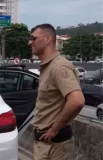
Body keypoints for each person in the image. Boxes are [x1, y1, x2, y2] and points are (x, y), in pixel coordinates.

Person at [29, 23, 85, 160]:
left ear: (48, 39)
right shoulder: (47, 66)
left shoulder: (59, 66)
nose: (29, 42)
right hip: (44, 145)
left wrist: (54, 129)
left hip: (55, 147)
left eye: (33, 38)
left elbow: (77, 101)